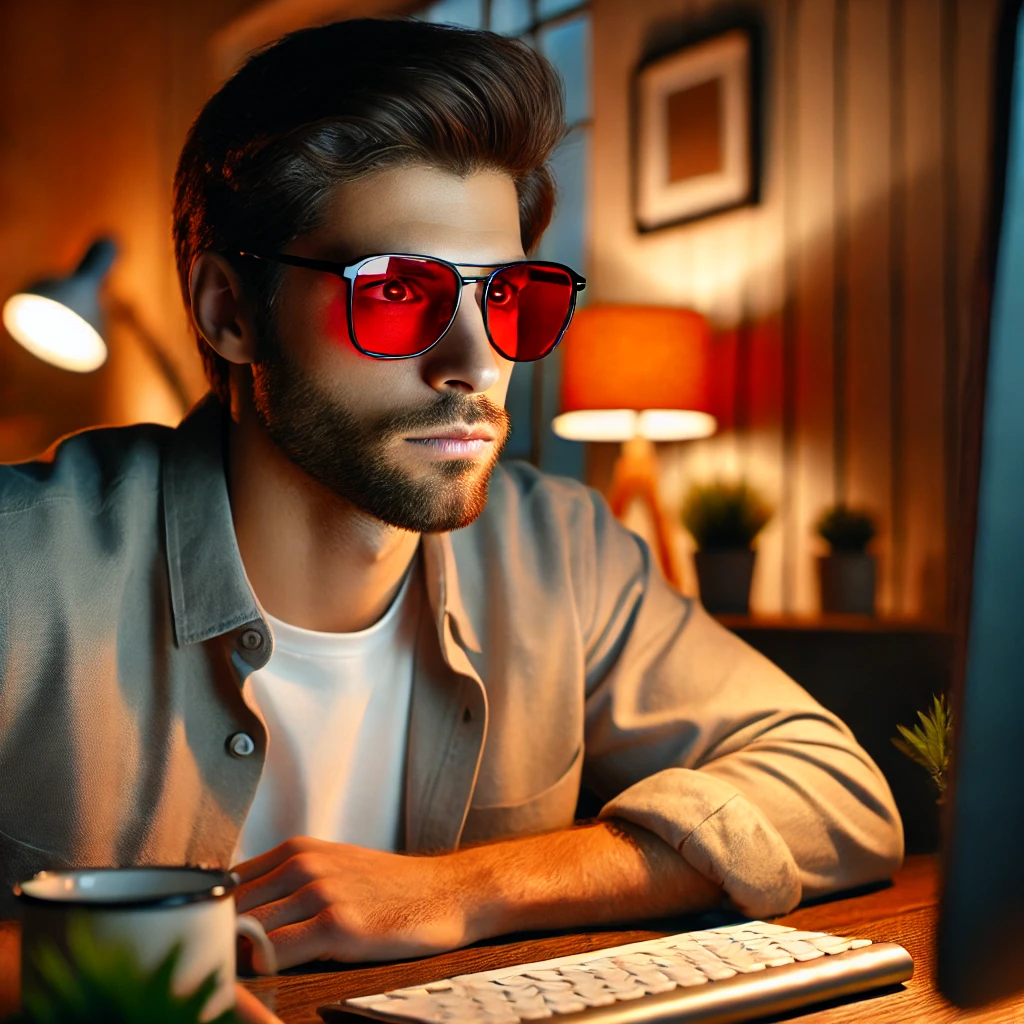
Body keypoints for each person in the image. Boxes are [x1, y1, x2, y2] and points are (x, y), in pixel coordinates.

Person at [0, 16, 902, 1021]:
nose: (474, 361)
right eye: (395, 293)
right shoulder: (21, 565)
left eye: (510, 295)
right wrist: (102, 979)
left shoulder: (561, 551)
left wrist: (463, 888)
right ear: (229, 311)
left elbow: (835, 792)